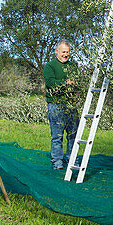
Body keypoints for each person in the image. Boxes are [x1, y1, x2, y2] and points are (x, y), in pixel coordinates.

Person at [43, 40, 79, 169]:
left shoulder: (73, 66)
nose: (66, 54)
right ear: (57, 51)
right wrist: (66, 83)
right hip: (56, 105)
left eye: (68, 52)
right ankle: (57, 163)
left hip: (71, 105)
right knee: (57, 136)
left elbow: (78, 82)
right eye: (63, 52)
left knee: (73, 135)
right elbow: (51, 84)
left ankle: (72, 161)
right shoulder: (50, 66)